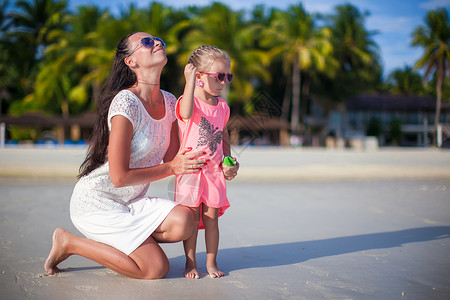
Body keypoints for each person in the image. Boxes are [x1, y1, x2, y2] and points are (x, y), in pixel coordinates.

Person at [44, 32, 209, 279]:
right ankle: (69, 243)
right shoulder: (125, 102)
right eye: (145, 42)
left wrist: (222, 163)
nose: (156, 43)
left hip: (130, 203)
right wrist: (173, 168)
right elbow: (119, 177)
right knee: (155, 269)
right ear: (130, 62)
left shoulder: (170, 100)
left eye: (157, 40)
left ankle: (128, 239)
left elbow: (177, 157)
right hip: (97, 202)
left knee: (185, 221)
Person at [175, 45, 239, 279]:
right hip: (190, 171)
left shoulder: (223, 107)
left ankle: (211, 262)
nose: (224, 82)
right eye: (219, 76)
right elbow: (186, 113)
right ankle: (190, 263)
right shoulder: (187, 101)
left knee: (211, 220)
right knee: (191, 220)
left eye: (227, 76)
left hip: (214, 173)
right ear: (199, 76)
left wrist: (229, 162)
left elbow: (223, 136)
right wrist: (189, 81)